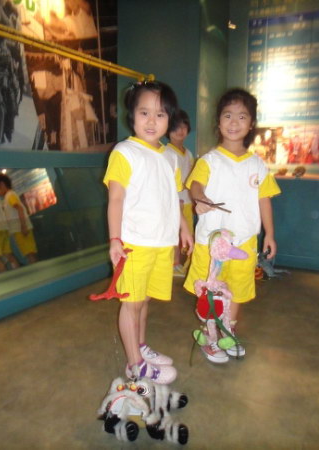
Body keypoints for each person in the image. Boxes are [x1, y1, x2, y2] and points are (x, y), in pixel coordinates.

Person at [103, 80, 194, 384]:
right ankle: (135, 365)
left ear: (169, 119)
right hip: (135, 243)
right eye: (144, 113)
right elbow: (116, 199)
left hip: (161, 243)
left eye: (160, 114)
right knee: (131, 303)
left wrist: (183, 228)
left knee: (144, 301)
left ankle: (140, 347)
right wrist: (115, 240)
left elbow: (173, 198)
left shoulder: (170, 157)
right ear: (132, 115)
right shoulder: (124, 152)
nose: (152, 121)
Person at [183, 88, 281, 362]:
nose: (234, 122)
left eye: (242, 116)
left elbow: (264, 200)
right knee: (210, 291)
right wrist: (200, 198)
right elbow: (196, 186)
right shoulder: (209, 160)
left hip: (245, 241)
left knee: (237, 290)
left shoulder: (258, 165)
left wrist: (270, 234)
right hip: (211, 242)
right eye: (227, 115)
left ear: (251, 124)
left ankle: (228, 332)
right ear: (218, 122)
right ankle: (209, 336)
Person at [165, 109, 195, 277]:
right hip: (175, 202)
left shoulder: (188, 153)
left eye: (183, 127)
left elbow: (192, 176)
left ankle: (180, 264)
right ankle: (173, 264)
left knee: (186, 233)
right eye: (175, 127)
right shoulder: (166, 153)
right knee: (174, 235)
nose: (180, 131)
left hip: (188, 201)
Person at [0, 173, 38, 264]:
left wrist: (23, 226)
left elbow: (19, 209)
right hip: (18, 230)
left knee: (30, 253)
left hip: (21, 229)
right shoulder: (8, 197)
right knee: (28, 252)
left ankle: (37, 268)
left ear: (2, 185)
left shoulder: (10, 195)